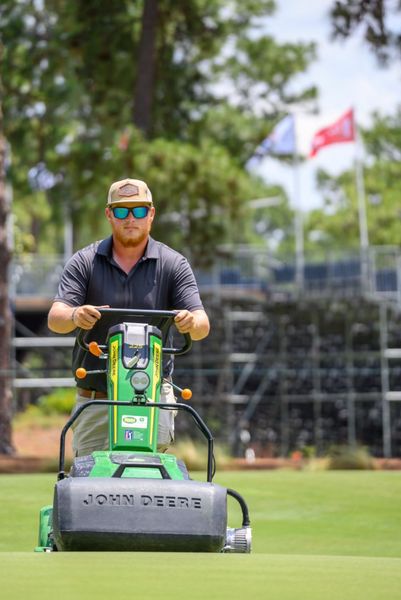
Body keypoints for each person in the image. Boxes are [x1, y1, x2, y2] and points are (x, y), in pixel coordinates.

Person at [48, 178, 210, 456]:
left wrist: (190, 322)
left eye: (139, 210)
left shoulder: (173, 264)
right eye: (122, 211)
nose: (130, 218)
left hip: (153, 396)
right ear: (109, 214)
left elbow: (202, 325)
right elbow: (56, 318)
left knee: (150, 481)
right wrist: (75, 314)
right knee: (89, 484)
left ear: (151, 214)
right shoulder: (85, 261)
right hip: (96, 398)